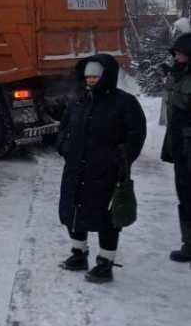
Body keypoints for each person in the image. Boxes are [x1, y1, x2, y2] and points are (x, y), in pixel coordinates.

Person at [57, 53, 146, 283]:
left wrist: (120, 159)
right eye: (88, 76)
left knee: (107, 218)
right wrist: (64, 148)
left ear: (107, 76)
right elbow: (64, 128)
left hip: (106, 172)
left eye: (95, 76)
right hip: (75, 169)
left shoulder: (125, 103)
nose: (90, 80)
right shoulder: (78, 101)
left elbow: (136, 135)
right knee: (74, 211)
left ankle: (105, 263)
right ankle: (79, 254)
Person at [161, 32, 191, 263]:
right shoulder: (179, 75)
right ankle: (188, 244)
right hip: (181, 145)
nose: (176, 57)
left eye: (180, 54)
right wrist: (171, 76)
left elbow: (183, 104)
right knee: (185, 196)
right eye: (175, 53)